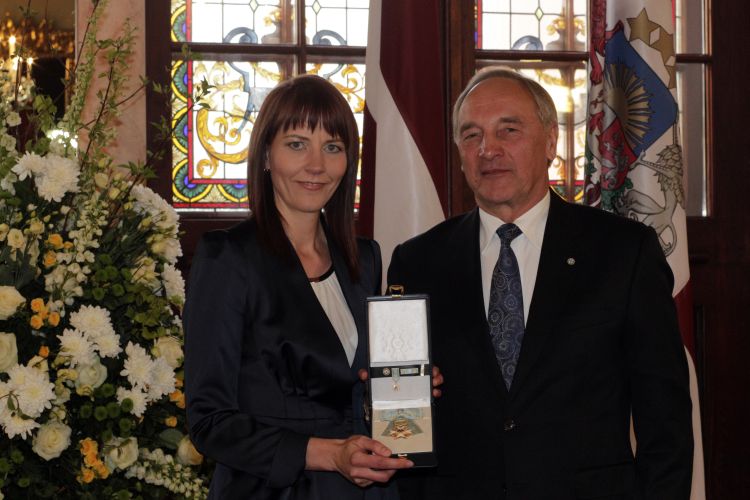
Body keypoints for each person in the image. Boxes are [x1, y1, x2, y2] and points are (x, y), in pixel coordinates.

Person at [389, 67, 694, 499]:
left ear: (551, 141)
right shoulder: (417, 261)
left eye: (508, 130)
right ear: (459, 152)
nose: (488, 149)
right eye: (472, 135)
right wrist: (384, 398)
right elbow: (401, 416)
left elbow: (666, 422)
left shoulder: (624, 253)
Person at [184, 74, 415, 499]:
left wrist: (406, 385)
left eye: (333, 147)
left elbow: (355, 389)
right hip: (273, 489)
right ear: (266, 155)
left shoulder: (364, 258)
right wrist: (329, 454)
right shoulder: (229, 258)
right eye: (296, 144)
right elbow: (209, 421)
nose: (316, 165)